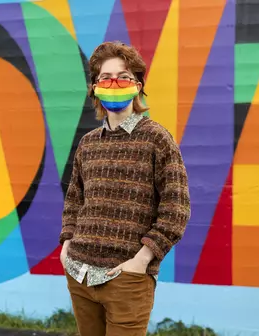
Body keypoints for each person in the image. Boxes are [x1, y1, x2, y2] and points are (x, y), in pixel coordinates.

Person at [59, 41, 191, 336]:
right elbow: (74, 200)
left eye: (123, 76)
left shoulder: (157, 139)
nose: (114, 83)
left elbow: (176, 208)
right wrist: (67, 246)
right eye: (105, 77)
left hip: (128, 278)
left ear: (138, 85)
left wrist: (142, 260)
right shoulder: (89, 143)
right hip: (80, 274)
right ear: (94, 87)